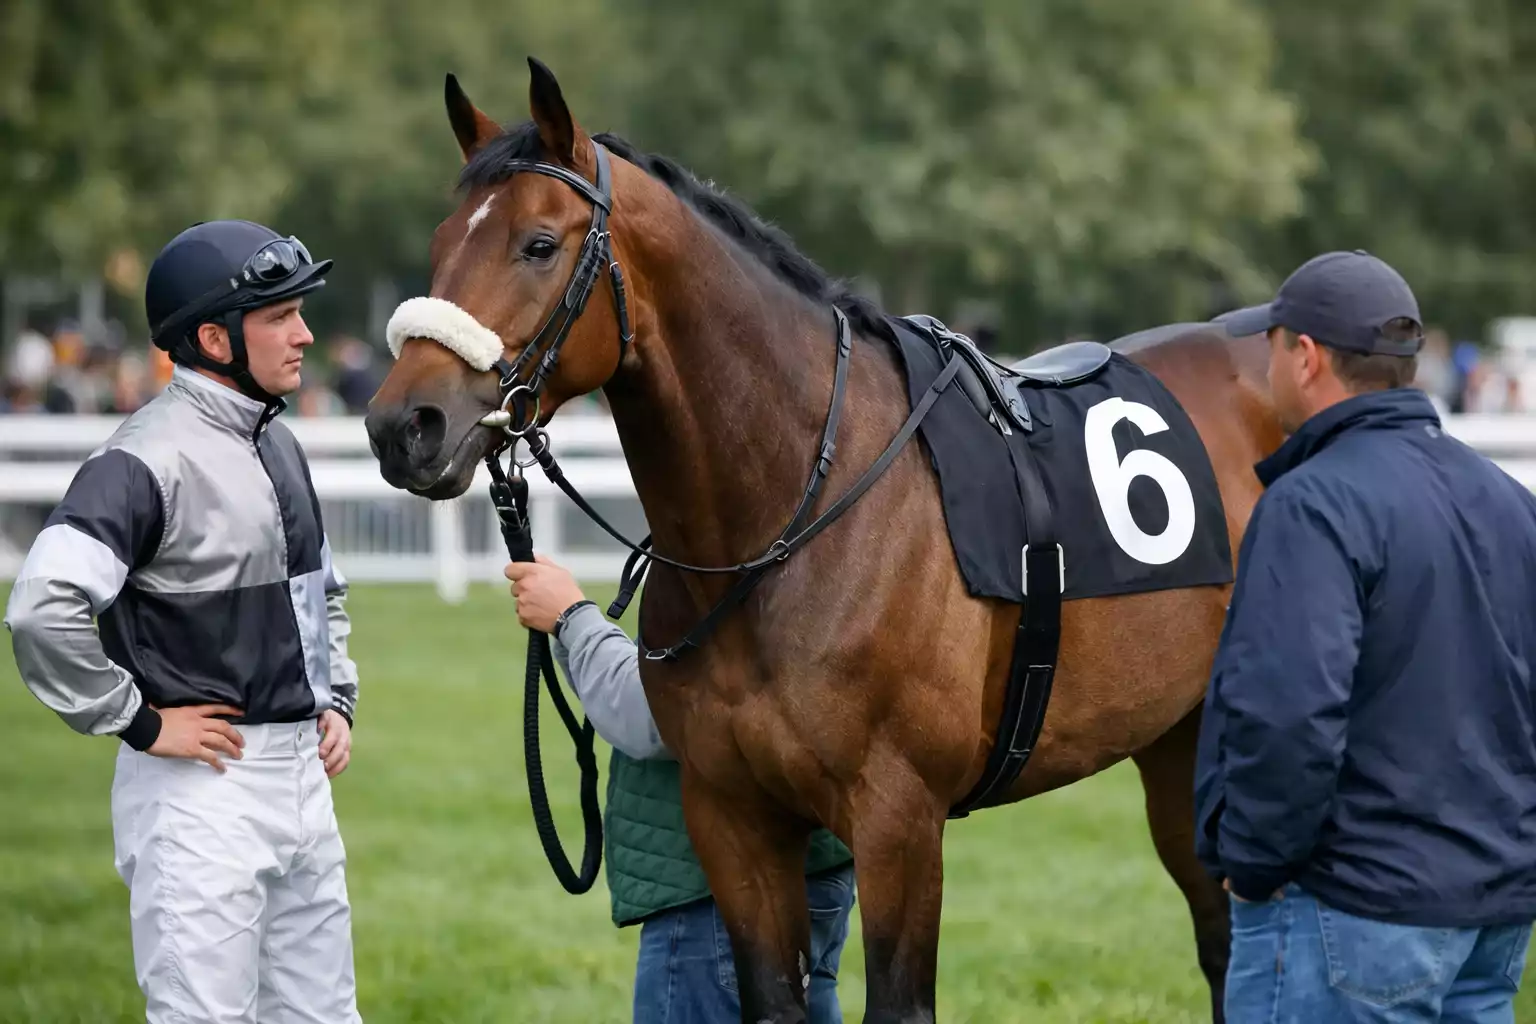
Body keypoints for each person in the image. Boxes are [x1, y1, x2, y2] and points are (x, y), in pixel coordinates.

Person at [4, 220, 363, 1024]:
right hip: (200, 791)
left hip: (304, 782)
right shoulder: (142, 459)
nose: (304, 333)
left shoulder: (279, 443)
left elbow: (322, 593)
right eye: (280, 316)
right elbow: (39, 608)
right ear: (214, 336)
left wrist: (336, 695)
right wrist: (136, 719)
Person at [1198, 251, 1536, 1023]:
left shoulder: (1312, 505)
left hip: (1348, 912)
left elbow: (1289, 714)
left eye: (1273, 346)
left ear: (1306, 358)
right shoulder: (1508, 500)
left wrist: (1253, 865)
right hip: (1492, 915)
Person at [505, 554, 856, 1024]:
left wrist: (572, 618)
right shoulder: (826, 552)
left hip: (713, 889)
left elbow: (656, 715)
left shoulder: (739, 549)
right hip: (817, 869)